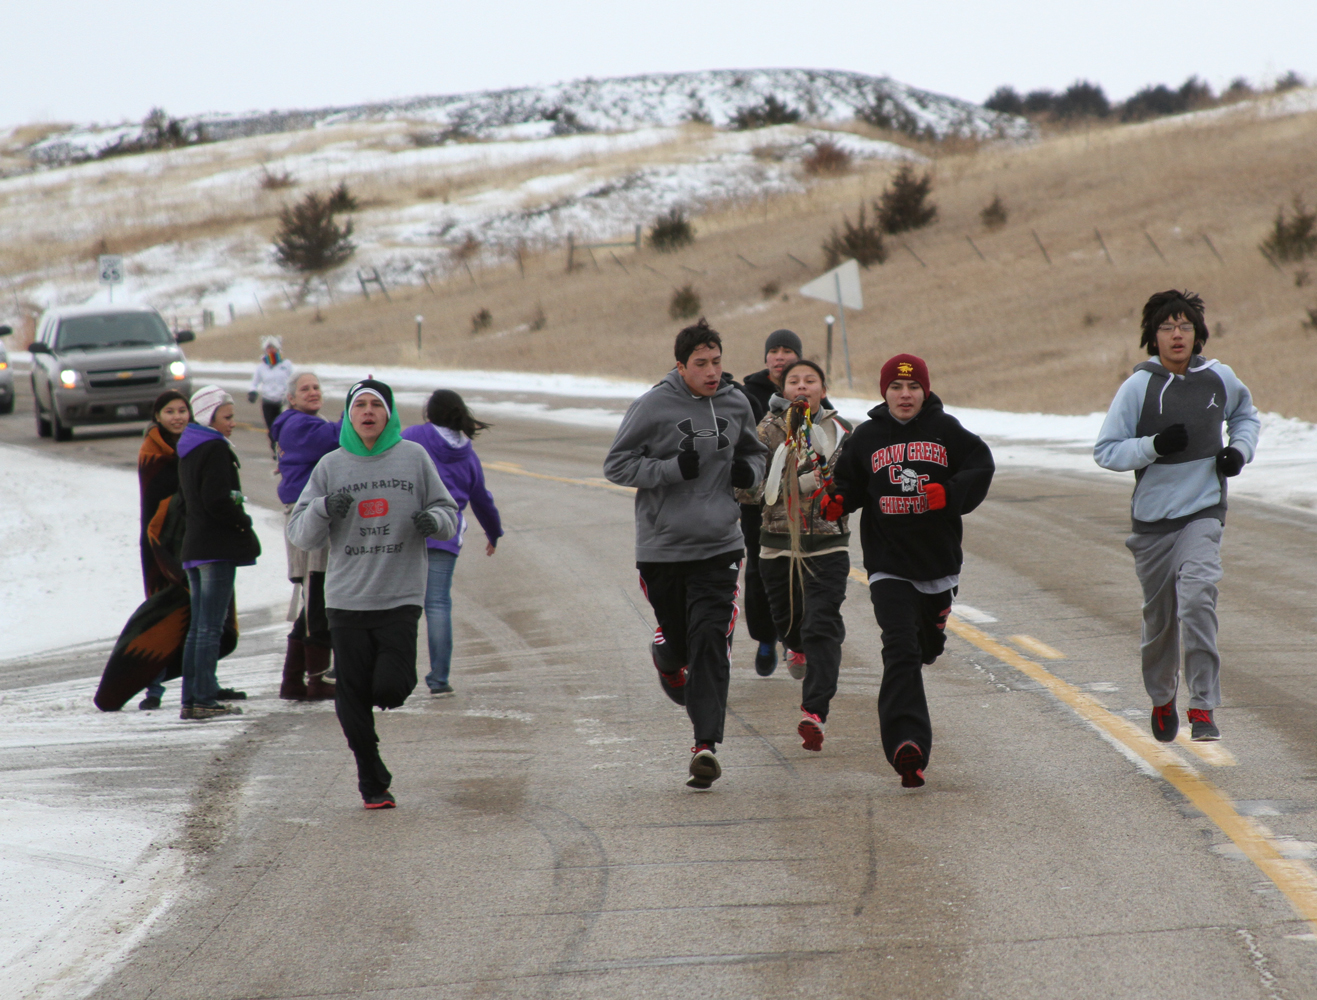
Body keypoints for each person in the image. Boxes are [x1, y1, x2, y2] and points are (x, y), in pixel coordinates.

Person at [604, 318, 767, 790]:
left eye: (717, 361)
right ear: (681, 366)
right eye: (701, 364)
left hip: (720, 545)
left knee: (710, 642)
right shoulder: (653, 405)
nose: (713, 371)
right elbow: (617, 464)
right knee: (680, 644)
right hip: (664, 548)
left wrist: (748, 475)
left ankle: (705, 747)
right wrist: (671, 468)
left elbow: (756, 454)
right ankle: (666, 655)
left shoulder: (736, 402)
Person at [1094, 290, 1259, 743]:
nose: (1177, 334)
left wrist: (1238, 452)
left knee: (1199, 598)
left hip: (1203, 513)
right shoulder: (1138, 387)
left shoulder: (1219, 378)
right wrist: (1152, 447)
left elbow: (1246, 416)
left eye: (1185, 326)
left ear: (1198, 334)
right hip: (1152, 525)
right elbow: (1106, 451)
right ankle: (1162, 695)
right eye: (1167, 327)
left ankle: (1203, 707)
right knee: (1161, 620)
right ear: (1153, 336)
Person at [288, 379, 459, 809]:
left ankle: (370, 700)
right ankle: (372, 780)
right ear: (348, 415)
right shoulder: (330, 465)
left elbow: (448, 512)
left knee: (389, 688)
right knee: (352, 697)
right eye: (358, 405)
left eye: (375, 405)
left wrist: (433, 522)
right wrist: (324, 507)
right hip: (345, 599)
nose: (367, 412)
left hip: (400, 595)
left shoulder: (413, 458)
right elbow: (300, 533)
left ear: (389, 414)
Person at [825, 354, 994, 788]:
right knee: (899, 650)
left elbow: (981, 465)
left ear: (925, 391)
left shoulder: (947, 430)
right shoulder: (866, 437)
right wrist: (839, 501)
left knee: (926, 647)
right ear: (884, 392)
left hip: (938, 562)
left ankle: (935, 622)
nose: (905, 395)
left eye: (913, 387)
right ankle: (908, 745)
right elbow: (848, 482)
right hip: (888, 565)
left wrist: (951, 493)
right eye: (897, 388)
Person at [735, 360, 852, 751]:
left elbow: (855, 483)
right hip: (776, 543)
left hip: (828, 545)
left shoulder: (841, 433)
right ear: (783, 390)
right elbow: (747, 492)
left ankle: (814, 712)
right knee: (789, 621)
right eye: (793, 381)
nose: (802, 387)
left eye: (810, 381)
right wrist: (799, 483)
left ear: (823, 387)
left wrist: (841, 496)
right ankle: (792, 643)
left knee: (822, 624)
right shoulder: (766, 431)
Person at [401, 389, 504, 697]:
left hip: (409, 529)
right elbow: (482, 499)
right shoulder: (467, 454)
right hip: (446, 534)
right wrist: (493, 532)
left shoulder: (414, 436)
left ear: (429, 413)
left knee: (399, 605)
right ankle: (439, 679)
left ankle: (393, 672)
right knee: (437, 604)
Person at [177, 385, 262, 720]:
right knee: (210, 627)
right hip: (215, 548)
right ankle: (202, 699)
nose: (233, 423)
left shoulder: (188, 448)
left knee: (199, 627)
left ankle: (195, 694)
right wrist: (242, 519)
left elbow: (188, 502)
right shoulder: (214, 448)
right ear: (209, 417)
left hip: (194, 547)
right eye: (227, 416)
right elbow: (217, 500)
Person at [271, 370, 342, 700]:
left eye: (316, 386)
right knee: (317, 597)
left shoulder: (301, 423)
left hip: (311, 517)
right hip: (308, 519)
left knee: (315, 595)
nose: (313, 392)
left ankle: (292, 681)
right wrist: (360, 405)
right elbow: (337, 437)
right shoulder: (300, 426)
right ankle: (316, 679)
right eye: (305, 389)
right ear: (292, 398)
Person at [736, 329, 803, 677]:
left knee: (799, 569)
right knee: (763, 569)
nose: (779, 356)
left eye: (787, 350)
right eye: (774, 350)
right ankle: (765, 637)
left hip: (800, 497)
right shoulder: (748, 396)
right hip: (757, 501)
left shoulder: (808, 393)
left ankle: (794, 640)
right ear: (766, 359)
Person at [134, 390, 192, 710]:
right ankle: (153, 689)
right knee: (162, 613)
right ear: (157, 417)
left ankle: (202, 682)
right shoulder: (152, 452)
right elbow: (157, 500)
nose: (177, 417)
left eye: (182, 410)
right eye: (170, 411)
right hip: (159, 543)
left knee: (200, 616)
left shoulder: (197, 444)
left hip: (194, 542)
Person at [249, 336, 294, 454]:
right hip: (268, 402)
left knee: (285, 427)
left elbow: (293, 380)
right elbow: (254, 382)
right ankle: (276, 450)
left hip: (283, 401)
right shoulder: (261, 367)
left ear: (278, 349)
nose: (271, 350)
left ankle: (287, 449)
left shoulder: (286, 364)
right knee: (272, 429)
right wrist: (252, 391)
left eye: (273, 348)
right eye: (268, 348)